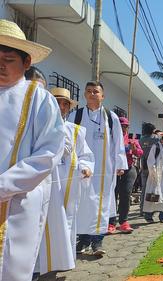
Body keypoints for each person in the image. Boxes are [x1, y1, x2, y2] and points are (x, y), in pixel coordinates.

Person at [0, 19, 65, 281]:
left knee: (11, 268)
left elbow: (48, 153)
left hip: (17, 201)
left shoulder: (39, 98)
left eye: (9, 59)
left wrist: (4, 186)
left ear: (26, 63)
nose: (1, 65)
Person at [37, 88, 94, 276]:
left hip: (67, 186)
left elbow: (85, 154)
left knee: (65, 222)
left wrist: (86, 167)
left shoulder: (75, 131)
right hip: (44, 184)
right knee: (41, 222)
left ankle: (61, 262)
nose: (61, 107)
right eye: (58, 102)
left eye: (65, 104)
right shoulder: (38, 125)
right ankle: (38, 267)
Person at [69, 81, 127, 256]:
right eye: (89, 91)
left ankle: (97, 241)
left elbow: (118, 142)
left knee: (101, 203)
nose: (92, 94)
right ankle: (84, 239)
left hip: (105, 169)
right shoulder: (76, 116)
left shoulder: (111, 117)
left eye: (96, 91)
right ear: (84, 95)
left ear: (103, 95)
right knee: (82, 203)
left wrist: (120, 164)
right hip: (82, 168)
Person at [108, 117, 143, 234]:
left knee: (126, 194)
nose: (123, 128)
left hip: (129, 169)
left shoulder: (133, 139)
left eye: (125, 126)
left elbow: (140, 153)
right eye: (121, 126)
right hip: (113, 170)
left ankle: (124, 222)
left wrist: (134, 149)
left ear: (128, 127)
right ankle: (110, 222)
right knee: (112, 195)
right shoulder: (110, 137)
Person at [143, 129, 163, 223]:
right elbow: (150, 161)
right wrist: (153, 173)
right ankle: (148, 215)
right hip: (156, 175)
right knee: (153, 194)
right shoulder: (156, 146)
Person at [139, 122, 158, 215]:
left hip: (143, 166)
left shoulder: (141, 140)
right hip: (153, 166)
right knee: (152, 188)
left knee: (144, 189)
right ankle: (150, 210)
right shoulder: (155, 139)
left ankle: (142, 209)